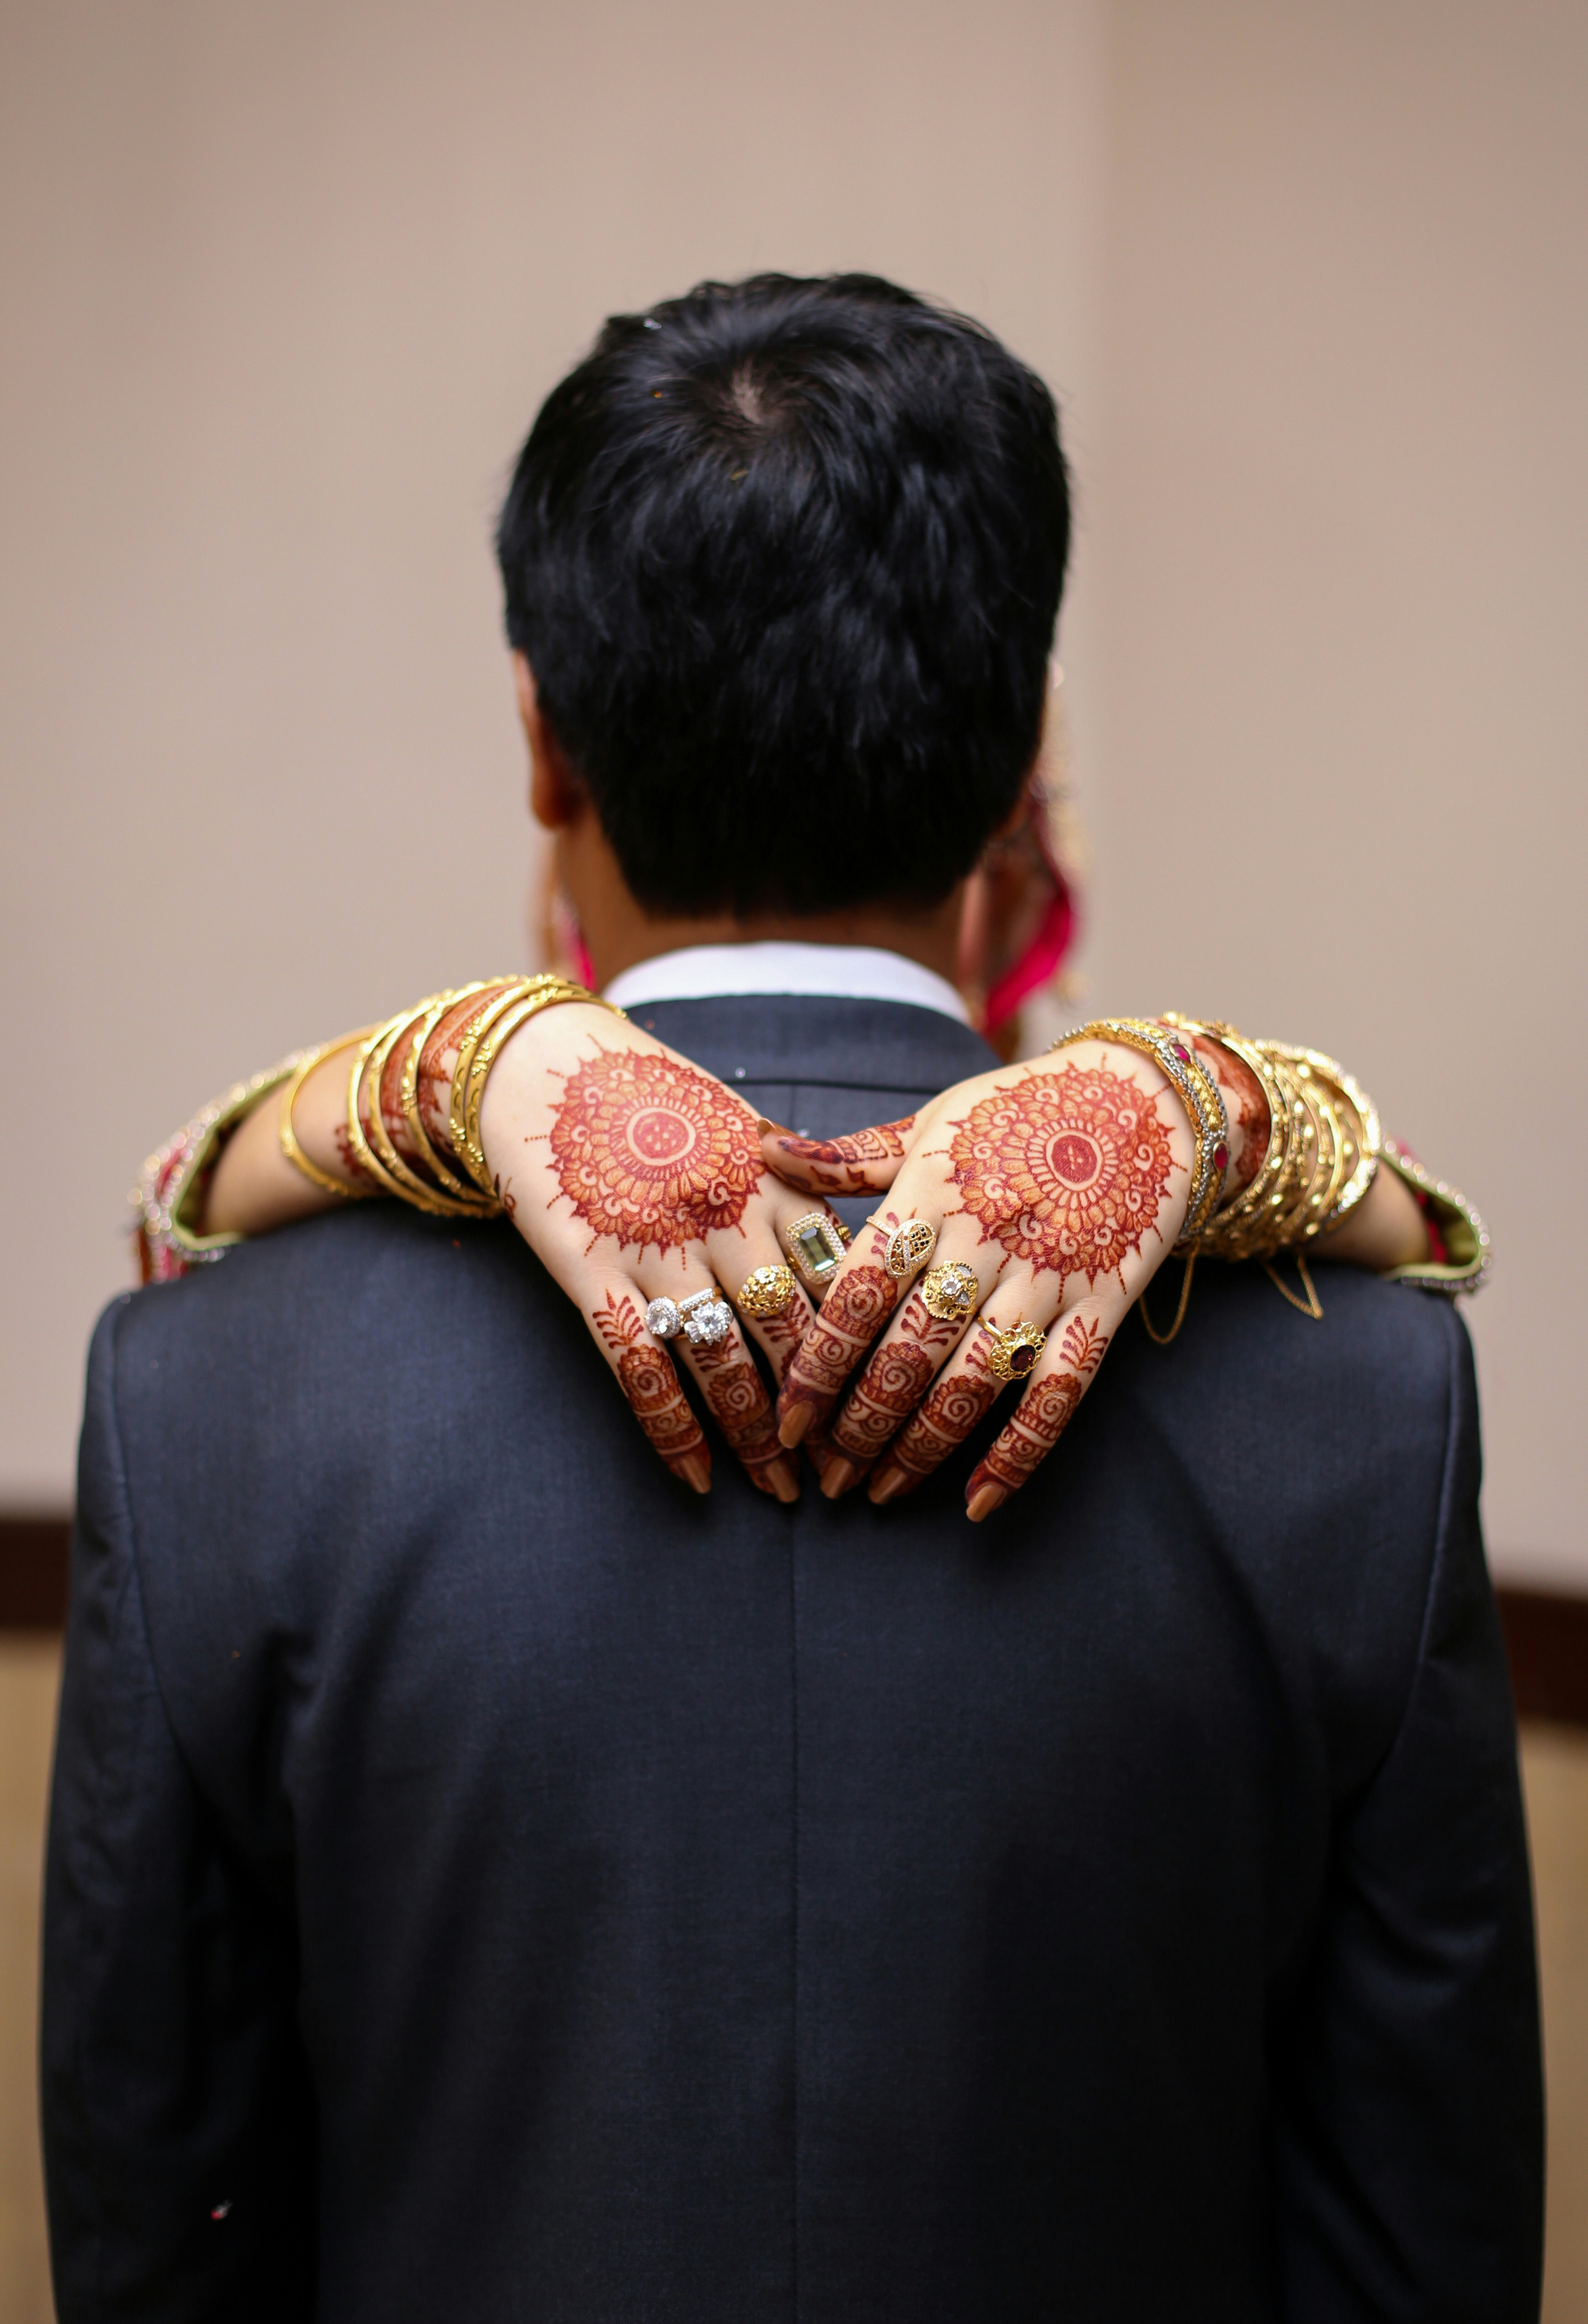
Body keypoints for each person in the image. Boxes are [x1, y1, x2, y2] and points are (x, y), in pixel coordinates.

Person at [44, 275, 1538, 2320]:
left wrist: (459, 1058)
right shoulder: (1360, 1402)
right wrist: (1212, 1101)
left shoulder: (210, 1398)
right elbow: (1417, 2252)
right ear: (1023, 752)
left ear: (540, 738)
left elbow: (163, 2227)